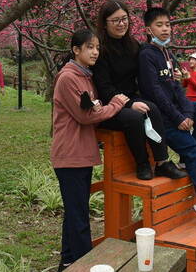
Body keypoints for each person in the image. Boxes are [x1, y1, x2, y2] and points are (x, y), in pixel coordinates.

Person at [137, 6, 196, 224]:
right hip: (162, 119)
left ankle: (189, 159)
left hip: (176, 112)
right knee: (195, 150)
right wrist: (179, 118)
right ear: (148, 29)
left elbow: (177, 88)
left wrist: (187, 112)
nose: (165, 29)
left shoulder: (167, 53)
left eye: (167, 24)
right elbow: (155, 92)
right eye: (159, 25)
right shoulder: (146, 56)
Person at [51, 29, 130, 271]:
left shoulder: (85, 76)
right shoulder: (68, 78)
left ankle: (68, 261)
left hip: (79, 154)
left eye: (97, 47)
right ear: (76, 50)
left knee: (75, 213)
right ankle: (87, 265)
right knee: (79, 216)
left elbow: (92, 111)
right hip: (70, 155)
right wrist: (116, 103)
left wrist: (101, 108)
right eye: (90, 47)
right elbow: (88, 115)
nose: (95, 52)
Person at [92, 0, 186, 181]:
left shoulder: (132, 44)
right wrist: (127, 104)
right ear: (105, 23)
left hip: (131, 97)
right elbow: (104, 88)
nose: (122, 24)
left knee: (152, 108)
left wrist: (169, 72)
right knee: (134, 117)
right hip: (109, 104)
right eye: (116, 20)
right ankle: (142, 163)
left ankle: (162, 162)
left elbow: (150, 63)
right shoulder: (100, 49)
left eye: (124, 19)